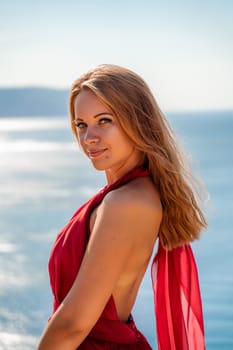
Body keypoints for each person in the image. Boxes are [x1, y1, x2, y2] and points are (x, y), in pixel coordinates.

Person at [37, 64, 207, 350]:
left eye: (104, 120)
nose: (89, 137)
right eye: (81, 124)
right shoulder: (127, 195)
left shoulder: (126, 202)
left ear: (138, 121)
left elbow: (72, 324)